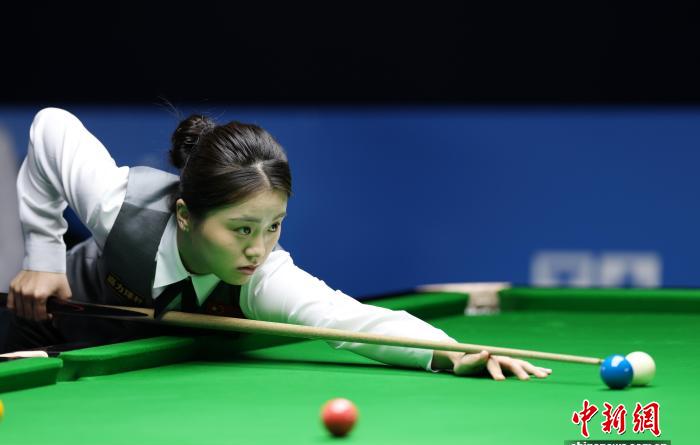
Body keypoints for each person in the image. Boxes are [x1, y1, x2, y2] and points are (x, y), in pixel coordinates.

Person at [3, 107, 552, 381]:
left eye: (274, 226)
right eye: (242, 229)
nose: (259, 249)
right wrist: (44, 258)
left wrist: (454, 352)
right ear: (186, 216)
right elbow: (52, 127)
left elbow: (349, 320)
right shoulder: (123, 205)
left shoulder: (263, 278)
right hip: (47, 322)